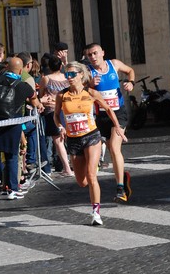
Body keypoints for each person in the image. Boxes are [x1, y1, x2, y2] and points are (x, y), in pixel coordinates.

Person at [54, 61, 127, 226]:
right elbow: (56, 115)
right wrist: (60, 126)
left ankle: (96, 213)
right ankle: (92, 166)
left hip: (91, 136)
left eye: (72, 74)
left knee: (92, 176)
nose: (69, 77)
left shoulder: (91, 93)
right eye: (67, 74)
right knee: (82, 181)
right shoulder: (62, 95)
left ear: (81, 75)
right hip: (74, 139)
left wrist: (117, 127)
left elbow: (108, 108)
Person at [0, 56, 44, 201]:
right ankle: (11, 190)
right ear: (21, 70)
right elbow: (35, 101)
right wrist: (39, 105)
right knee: (12, 157)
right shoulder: (23, 86)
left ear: (6, 68)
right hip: (12, 125)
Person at [84, 42, 134, 203]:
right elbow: (83, 91)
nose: (92, 57)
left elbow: (130, 71)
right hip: (101, 116)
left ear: (102, 52)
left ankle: (120, 189)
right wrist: (91, 84)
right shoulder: (88, 72)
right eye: (89, 55)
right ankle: (123, 178)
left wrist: (130, 82)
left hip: (118, 113)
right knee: (110, 151)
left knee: (114, 147)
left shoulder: (114, 64)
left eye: (95, 53)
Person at [38, 55, 73, 176]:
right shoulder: (66, 78)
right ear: (60, 66)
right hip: (67, 110)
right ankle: (72, 165)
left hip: (52, 111)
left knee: (58, 141)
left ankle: (67, 168)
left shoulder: (46, 79)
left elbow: (40, 94)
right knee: (69, 139)